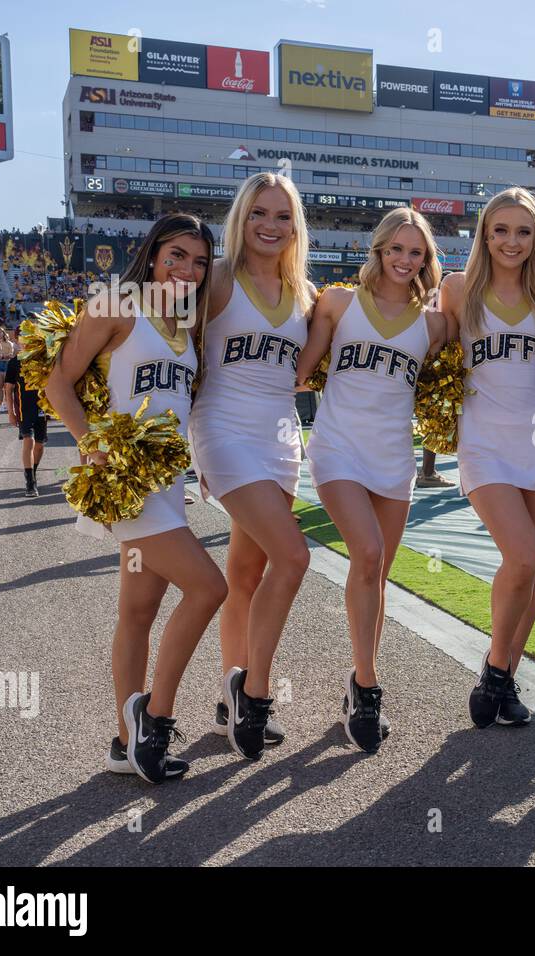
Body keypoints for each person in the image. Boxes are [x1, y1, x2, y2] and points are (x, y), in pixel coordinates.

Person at [45, 213, 226, 782]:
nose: (187, 270)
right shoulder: (115, 305)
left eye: (199, 262)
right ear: (152, 254)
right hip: (128, 481)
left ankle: (126, 745)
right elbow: (57, 381)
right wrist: (92, 446)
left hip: (166, 481)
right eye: (176, 255)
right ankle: (155, 719)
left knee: (138, 611)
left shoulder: (186, 321)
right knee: (208, 586)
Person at [297, 207, 448, 752]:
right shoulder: (338, 303)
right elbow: (298, 371)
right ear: (378, 250)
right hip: (337, 450)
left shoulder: (434, 324)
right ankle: (367, 687)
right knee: (365, 553)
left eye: (416, 252)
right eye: (396, 249)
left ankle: (359, 678)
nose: (405, 260)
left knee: (379, 571)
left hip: (393, 458)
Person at [190, 172, 315, 760]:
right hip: (222, 429)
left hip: (280, 437)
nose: (271, 225)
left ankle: (226, 696)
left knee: (246, 573)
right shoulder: (215, 281)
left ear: (296, 226)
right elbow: (163, 340)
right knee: (294, 557)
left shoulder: (305, 294)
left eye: (283, 216)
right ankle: (255, 696)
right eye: (260, 213)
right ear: (242, 218)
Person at [436, 188, 535, 728]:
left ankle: (505, 680)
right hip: (484, 441)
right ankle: (494, 665)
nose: (511, 241)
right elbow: (428, 349)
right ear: (484, 235)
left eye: (523, 232)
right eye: (501, 230)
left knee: (530, 567)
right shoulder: (458, 289)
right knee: (522, 554)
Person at [2, 327, 48, 497]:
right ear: (17, 339)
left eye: (30, 335)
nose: (27, 340)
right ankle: (30, 482)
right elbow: (8, 389)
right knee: (29, 440)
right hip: (23, 409)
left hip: (41, 407)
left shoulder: (42, 359)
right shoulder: (15, 362)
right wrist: (11, 413)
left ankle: (33, 472)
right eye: (23, 337)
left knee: (40, 445)